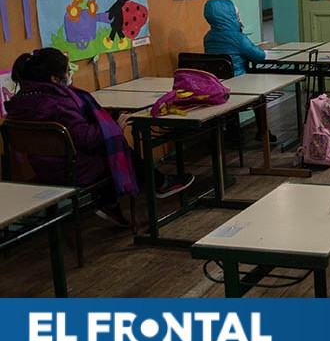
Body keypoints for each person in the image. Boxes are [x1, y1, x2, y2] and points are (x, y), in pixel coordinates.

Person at [5, 48, 195, 227]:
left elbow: (75, 132)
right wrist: (115, 127)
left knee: (107, 143)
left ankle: (112, 201)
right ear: (54, 78)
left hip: (42, 167)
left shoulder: (19, 102)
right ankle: (157, 184)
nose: (70, 74)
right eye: (67, 71)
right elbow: (87, 138)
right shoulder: (58, 103)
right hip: (71, 170)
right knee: (115, 147)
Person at [202, 0, 276, 143]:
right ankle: (263, 132)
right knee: (260, 93)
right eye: (235, 16)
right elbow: (259, 56)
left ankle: (232, 132)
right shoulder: (238, 38)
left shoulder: (208, 38)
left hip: (218, 85)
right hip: (239, 84)